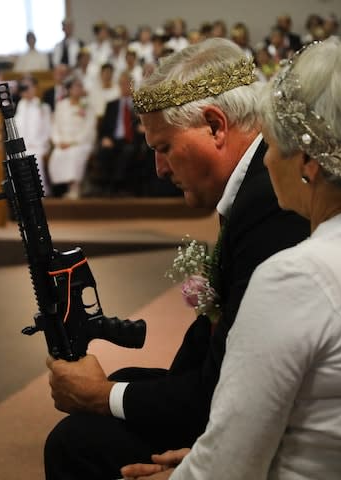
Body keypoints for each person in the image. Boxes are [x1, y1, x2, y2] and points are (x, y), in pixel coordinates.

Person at [122, 38, 341, 480]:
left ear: (307, 159)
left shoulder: (294, 277)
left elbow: (230, 465)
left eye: (272, 141)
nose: (264, 157)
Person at [44, 38, 309, 479]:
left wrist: (100, 395)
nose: (159, 170)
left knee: (75, 444)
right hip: (236, 392)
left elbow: (234, 386)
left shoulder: (270, 202)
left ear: (215, 126)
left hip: (271, 421)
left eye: (163, 148)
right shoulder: (255, 185)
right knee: (127, 376)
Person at [93, 70, 145, 196]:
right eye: (122, 84)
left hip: (132, 139)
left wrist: (141, 126)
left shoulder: (138, 104)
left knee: (128, 151)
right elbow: (104, 128)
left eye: (127, 84)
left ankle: (117, 185)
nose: (124, 86)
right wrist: (105, 138)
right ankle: (107, 186)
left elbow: (144, 124)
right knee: (105, 150)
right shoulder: (112, 105)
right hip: (113, 139)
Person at [47, 75, 97, 199]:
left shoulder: (87, 106)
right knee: (57, 154)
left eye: (80, 86)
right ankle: (65, 187)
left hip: (81, 142)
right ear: (69, 90)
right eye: (76, 87)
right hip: (63, 142)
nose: (79, 89)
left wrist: (73, 142)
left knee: (75, 153)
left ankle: (76, 188)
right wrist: (58, 141)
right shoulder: (61, 105)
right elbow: (55, 126)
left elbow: (89, 128)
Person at [14, 75, 52, 195]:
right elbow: (16, 127)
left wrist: (40, 143)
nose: (26, 90)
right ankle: (22, 193)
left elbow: (47, 128)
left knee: (34, 157)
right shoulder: (19, 105)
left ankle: (38, 193)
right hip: (22, 144)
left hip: (38, 144)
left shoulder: (43, 106)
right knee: (15, 158)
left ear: (35, 88)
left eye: (28, 87)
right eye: (23, 87)